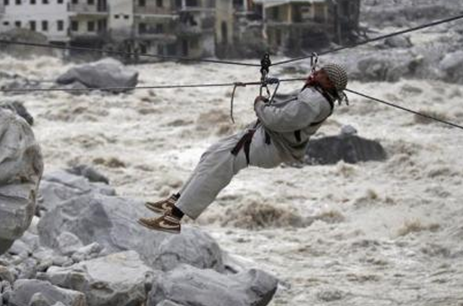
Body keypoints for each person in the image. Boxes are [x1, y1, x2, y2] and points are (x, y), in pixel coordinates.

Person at [138, 63, 349, 234]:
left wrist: (259, 106)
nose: (316, 72)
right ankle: (175, 200)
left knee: (219, 167)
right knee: (212, 154)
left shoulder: (313, 101)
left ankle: (174, 218)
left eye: (321, 72)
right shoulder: (315, 93)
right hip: (263, 137)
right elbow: (288, 107)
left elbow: (281, 121)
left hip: (269, 145)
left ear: (329, 82)